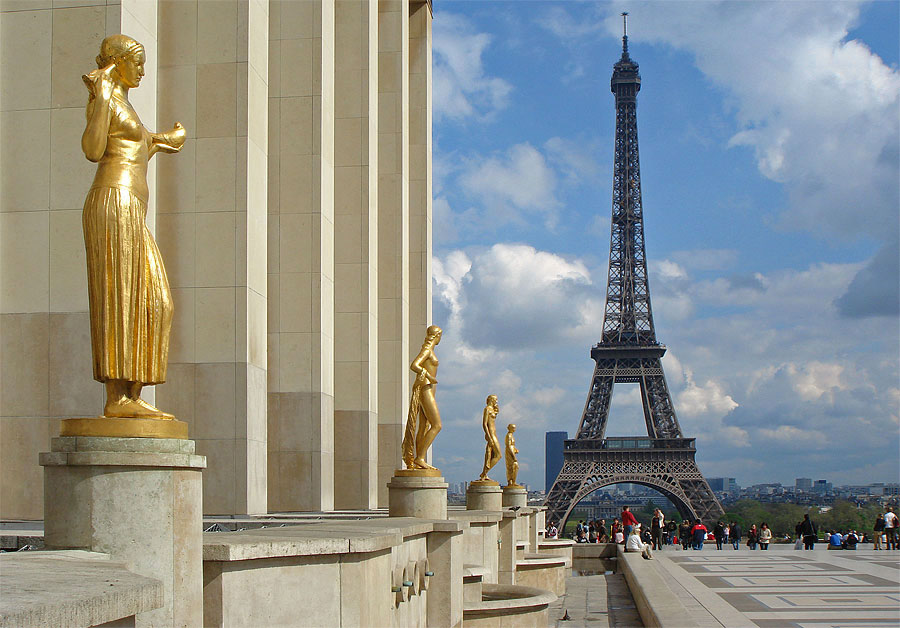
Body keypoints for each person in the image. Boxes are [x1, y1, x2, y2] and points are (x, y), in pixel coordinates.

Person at [81, 35, 185, 419]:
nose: (141, 70)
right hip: (112, 201)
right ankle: (117, 398)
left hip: (131, 207)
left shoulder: (126, 105)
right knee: (120, 296)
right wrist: (103, 94)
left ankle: (133, 393)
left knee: (157, 302)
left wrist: (161, 141)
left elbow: (132, 145)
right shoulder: (105, 98)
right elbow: (93, 149)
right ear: (117, 62)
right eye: (136, 62)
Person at [403, 325, 443, 470]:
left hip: (429, 389)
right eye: (440, 336)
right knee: (437, 425)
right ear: (436, 335)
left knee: (424, 426)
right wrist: (429, 376)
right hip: (425, 388)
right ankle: (419, 457)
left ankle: (419, 459)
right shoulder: (427, 350)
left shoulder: (430, 350)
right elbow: (414, 365)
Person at [477, 395, 501, 481]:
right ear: (491, 400)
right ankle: (484, 473)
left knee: (494, 455)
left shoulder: (492, 409)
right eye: (495, 400)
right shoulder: (487, 409)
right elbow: (484, 423)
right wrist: (488, 436)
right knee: (498, 455)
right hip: (491, 434)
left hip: (494, 434)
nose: (497, 402)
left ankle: (484, 473)